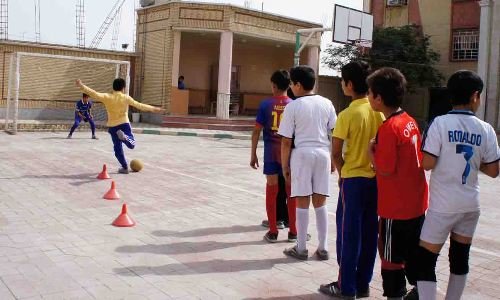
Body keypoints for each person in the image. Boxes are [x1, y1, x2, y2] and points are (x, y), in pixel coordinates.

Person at [416, 70, 500, 300]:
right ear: (475, 96)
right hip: (470, 205)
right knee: (460, 257)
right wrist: (472, 162)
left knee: (426, 260)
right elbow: (494, 170)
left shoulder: (439, 124)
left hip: (443, 206)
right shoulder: (486, 129)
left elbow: (427, 163)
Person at [320, 61, 384, 299]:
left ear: (348, 84)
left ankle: (346, 286)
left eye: (342, 80)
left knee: (348, 234)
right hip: (375, 181)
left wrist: (342, 172)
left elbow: (336, 152)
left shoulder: (347, 114)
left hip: (354, 181)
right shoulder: (379, 110)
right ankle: (363, 283)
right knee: (369, 233)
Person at [367, 68, 429, 300]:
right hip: (416, 202)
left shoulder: (388, 128)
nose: (369, 98)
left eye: (371, 94)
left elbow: (385, 168)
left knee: (391, 258)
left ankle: (395, 294)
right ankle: (421, 290)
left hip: (396, 207)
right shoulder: (410, 121)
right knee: (414, 253)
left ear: (379, 98)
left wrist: (371, 153)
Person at [278, 65, 337, 260]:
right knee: (321, 201)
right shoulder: (327, 103)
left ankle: (301, 247)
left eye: (292, 84)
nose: (291, 88)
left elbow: (286, 141)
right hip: (323, 154)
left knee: (302, 199)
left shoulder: (293, 106)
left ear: (298, 85)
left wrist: (284, 166)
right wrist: (334, 158)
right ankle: (323, 247)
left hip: (302, 154)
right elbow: (334, 132)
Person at [75, 78, 165, 174]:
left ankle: (124, 167)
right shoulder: (126, 97)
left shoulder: (107, 97)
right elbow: (139, 105)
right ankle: (125, 137)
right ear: (123, 88)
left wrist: (81, 86)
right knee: (132, 144)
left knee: (117, 149)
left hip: (113, 127)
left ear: (113, 87)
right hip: (124, 124)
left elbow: (94, 93)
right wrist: (154, 109)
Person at [251, 70, 295, 242]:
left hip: (271, 153)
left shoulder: (265, 104)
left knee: (271, 190)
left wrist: (253, 153)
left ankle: (273, 230)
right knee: (291, 192)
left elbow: (256, 131)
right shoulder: (294, 104)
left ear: (274, 85)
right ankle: (294, 231)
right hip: (289, 154)